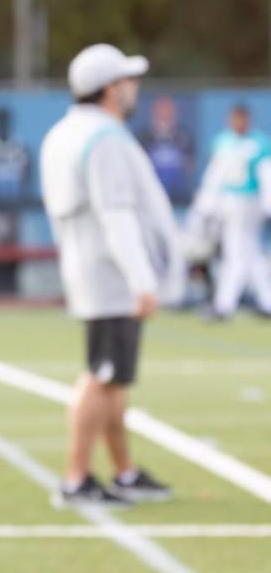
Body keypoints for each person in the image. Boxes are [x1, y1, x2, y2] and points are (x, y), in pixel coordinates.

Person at [40, 44, 184, 508]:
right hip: (110, 275)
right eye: (126, 80)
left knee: (113, 378)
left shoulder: (67, 132)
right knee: (102, 376)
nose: (133, 88)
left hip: (91, 267)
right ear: (109, 88)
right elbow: (116, 213)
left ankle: (123, 471)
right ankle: (77, 478)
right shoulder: (104, 138)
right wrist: (142, 279)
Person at [192, 104, 271, 320]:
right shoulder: (223, 142)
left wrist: (267, 205)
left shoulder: (259, 144)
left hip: (249, 202)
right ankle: (266, 301)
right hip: (228, 201)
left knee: (235, 253)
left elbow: (266, 176)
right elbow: (215, 175)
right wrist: (206, 204)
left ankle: (224, 304)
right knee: (251, 253)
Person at [138, 96, 195, 203]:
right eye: (161, 110)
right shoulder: (144, 138)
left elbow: (190, 166)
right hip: (151, 198)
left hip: (178, 199)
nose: (164, 113)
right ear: (154, 112)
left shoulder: (184, 136)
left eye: (168, 110)